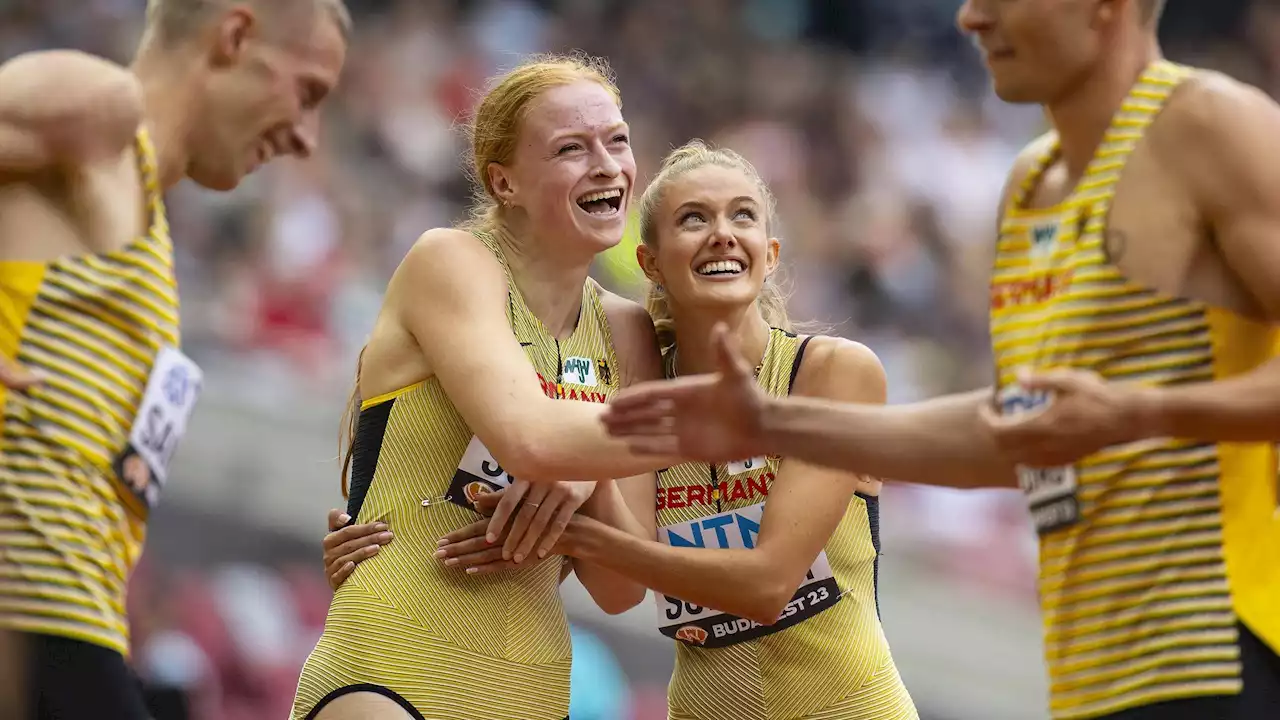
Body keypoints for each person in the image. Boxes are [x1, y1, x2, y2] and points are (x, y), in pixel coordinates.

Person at [601, 1, 1280, 719]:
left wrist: (1142, 411)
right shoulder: (1029, 186)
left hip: (1217, 645)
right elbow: (1016, 433)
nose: (969, 18)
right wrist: (773, 423)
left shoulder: (1207, 123)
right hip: (1092, 669)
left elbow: (1093, 422)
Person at [334, 141, 919, 720]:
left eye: (742, 215)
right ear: (650, 263)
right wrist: (388, 529)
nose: (722, 233)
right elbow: (616, 586)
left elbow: (766, 587)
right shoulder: (630, 390)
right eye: (694, 219)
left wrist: (583, 526)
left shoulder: (834, 372)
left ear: (769, 254)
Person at [291, 54, 678, 720]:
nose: (607, 164)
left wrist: (594, 481)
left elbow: (620, 587)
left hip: (531, 689)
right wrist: (580, 465)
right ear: (506, 182)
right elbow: (526, 437)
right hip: (391, 663)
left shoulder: (628, 332)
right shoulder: (451, 261)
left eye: (616, 140)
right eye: (570, 149)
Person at [0, 1, 350, 718]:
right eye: (306, 93)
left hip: (72, 625)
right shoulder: (100, 106)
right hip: (34, 612)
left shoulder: (149, 236)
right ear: (235, 34)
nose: (307, 138)